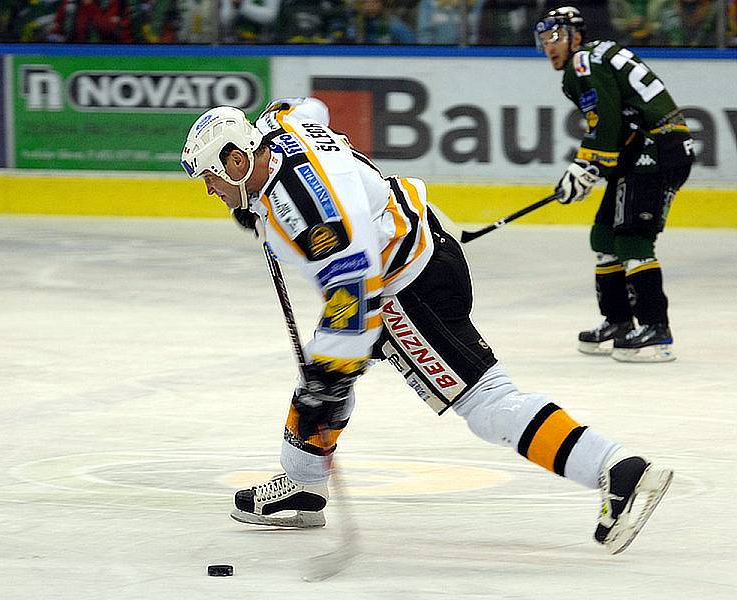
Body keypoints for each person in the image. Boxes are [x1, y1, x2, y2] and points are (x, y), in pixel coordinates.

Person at [179, 97, 673, 554]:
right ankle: (303, 483)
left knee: (484, 403)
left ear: (236, 161)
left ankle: (619, 469)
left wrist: (330, 376)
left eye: (210, 177)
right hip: (420, 245)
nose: (209, 190)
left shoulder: (310, 210)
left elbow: (356, 287)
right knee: (323, 368)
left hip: (403, 289)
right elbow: (312, 109)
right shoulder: (279, 124)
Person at [534, 6, 694, 362]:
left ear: (576, 35)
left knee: (632, 238)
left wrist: (584, 166)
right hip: (643, 148)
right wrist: (590, 168)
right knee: (605, 235)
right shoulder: (597, 56)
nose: (550, 46)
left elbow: (605, 124)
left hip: (656, 148)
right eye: (544, 40)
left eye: (556, 37)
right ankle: (618, 321)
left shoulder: (583, 63)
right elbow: (617, 127)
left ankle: (656, 331)